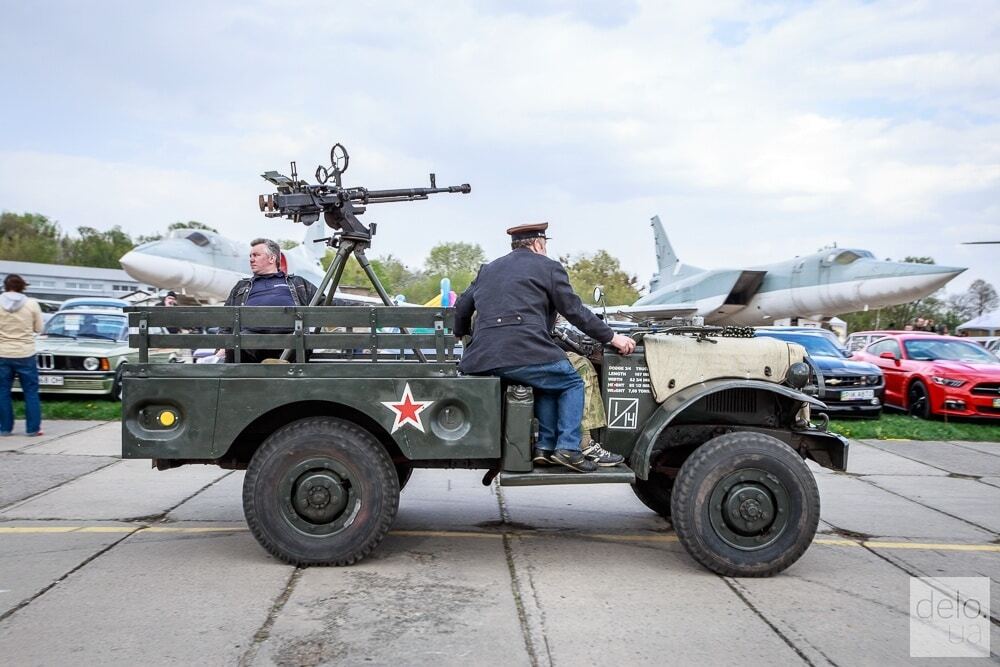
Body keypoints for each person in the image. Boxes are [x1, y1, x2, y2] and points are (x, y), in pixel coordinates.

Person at [454, 222, 636, 473]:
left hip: (481, 359)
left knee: (550, 383)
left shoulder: (488, 269)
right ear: (538, 244)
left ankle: (545, 448)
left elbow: (462, 307)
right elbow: (574, 311)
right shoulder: (548, 267)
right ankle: (569, 448)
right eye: (545, 245)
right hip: (525, 353)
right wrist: (612, 337)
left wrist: (461, 333)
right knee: (571, 382)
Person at [218, 238, 317, 363]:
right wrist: (222, 346)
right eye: (250, 256)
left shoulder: (298, 283)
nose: (251, 259)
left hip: (291, 339)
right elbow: (226, 317)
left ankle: (277, 366)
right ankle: (274, 367)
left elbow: (325, 302)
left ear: (272, 258)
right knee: (236, 344)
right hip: (249, 342)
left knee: (299, 341)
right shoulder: (241, 286)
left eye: (256, 255)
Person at [0, 274, 44, 436]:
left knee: (2, 391)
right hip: (25, 352)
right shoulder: (31, 304)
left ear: (5, 286)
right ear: (22, 286)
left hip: (3, 352)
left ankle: (5, 428)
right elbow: (39, 328)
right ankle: (32, 429)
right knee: (30, 392)